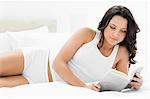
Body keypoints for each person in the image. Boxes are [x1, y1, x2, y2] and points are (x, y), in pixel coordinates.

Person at [0, 5, 143, 92]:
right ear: (105, 24)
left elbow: (117, 82)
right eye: (113, 27)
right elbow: (58, 63)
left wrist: (132, 84)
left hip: (42, 81)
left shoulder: (122, 52)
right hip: (37, 61)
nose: (116, 34)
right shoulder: (87, 34)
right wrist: (83, 86)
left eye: (123, 31)